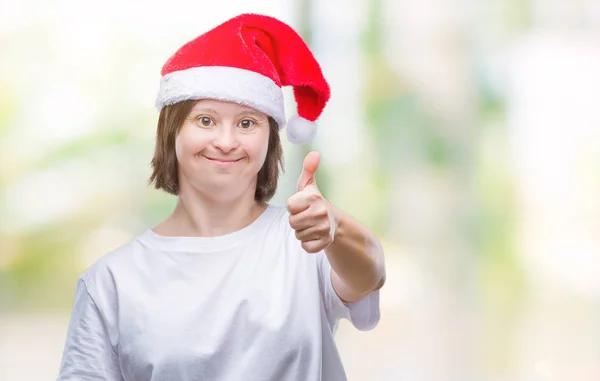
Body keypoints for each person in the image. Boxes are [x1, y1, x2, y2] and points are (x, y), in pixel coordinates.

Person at [56, 13, 386, 381]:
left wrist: (334, 228)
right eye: (206, 120)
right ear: (172, 132)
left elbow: (369, 275)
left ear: (270, 140)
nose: (227, 142)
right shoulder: (111, 281)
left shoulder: (304, 243)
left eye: (247, 123)